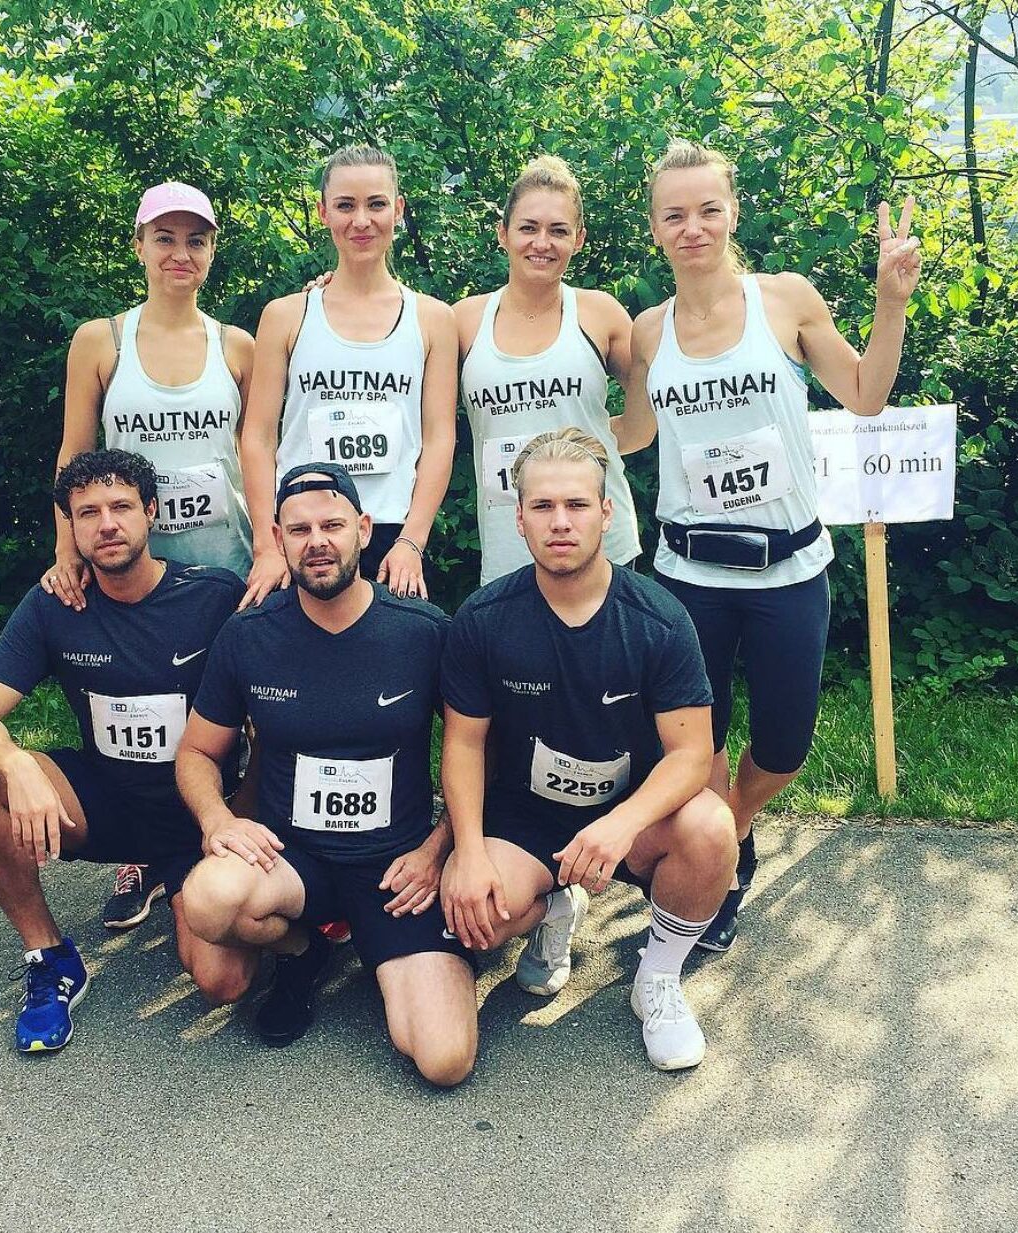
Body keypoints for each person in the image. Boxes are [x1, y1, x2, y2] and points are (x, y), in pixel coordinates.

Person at [620, 140, 921, 950]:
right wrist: (535, 434)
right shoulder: (647, 332)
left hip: (788, 568)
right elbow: (634, 432)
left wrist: (889, 302)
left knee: (783, 746)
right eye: (674, 215)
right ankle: (712, 879)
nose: (692, 228)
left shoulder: (784, 300)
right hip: (689, 574)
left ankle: (731, 827)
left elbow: (863, 395)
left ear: (732, 212)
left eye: (707, 209)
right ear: (654, 227)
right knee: (700, 746)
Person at [440, 429, 736, 1071]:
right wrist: (467, 851)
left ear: (607, 512)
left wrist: (619, 825)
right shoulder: (484, 619)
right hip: (525, 819)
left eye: (576, 505)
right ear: (519, 519)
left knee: (713, 828)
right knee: (474, 918)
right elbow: (463, 743)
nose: (560, 522)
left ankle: (658, 978)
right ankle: (552, 908)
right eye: (542, 506)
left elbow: (692, 754)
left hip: (630, 818)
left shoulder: (659, 620)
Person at [0, 449, 253, 1053]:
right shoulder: (57, 604)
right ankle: (49, 956)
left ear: (151, 512)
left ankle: (178, 885)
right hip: (105, 804)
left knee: (226, 981)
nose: (107, 524)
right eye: (88, 513)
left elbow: (268, 719)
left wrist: (239, 815)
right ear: (72, 526)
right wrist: (16, 764)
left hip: (199, 813)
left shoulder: (215, 596)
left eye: (121, 507)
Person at [178, 463, 477, 1085]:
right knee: (208, 901)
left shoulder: (424, 632)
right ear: (278, 539)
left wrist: (437, 850)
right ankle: (303, 949)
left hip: (398, 868)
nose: (317, 541)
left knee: (444, 1060)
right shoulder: (248, 635)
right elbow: (197, 753)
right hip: (292, 859)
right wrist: (218, 821)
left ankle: (388, 951)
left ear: (363, 530)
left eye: (332, 526)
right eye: (299, 529)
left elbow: (478, 753)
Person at [43, 181, 256, 931]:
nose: (179, 253)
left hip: (223, 564)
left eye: (195, 240)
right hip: (128, 571)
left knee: (233, 718)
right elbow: (74, 453)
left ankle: (231, 841)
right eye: (164, 238)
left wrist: (268, 552)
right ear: (138, 246)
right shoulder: (101, 340)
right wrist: (67, 547)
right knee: (134, 712)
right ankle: (140, 852)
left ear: (212, 251)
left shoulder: (237, 347)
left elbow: (257, 454)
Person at [239, 144, 457, 606]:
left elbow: (439, 438)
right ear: (323, 212)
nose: (361, 221)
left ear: (398, 210)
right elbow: (257, 436)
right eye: (345, 205)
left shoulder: (433, 319)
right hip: (304, 529)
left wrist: (412, 541)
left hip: (393, 535)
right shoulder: (286, 315)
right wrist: (266, 542)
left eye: (376, 204)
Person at [455, 155, 642, 584]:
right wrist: (333, 290)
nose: (542, 243)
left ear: (579, 238)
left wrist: (587, 444)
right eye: (528, 228)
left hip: (600, 544)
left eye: (558, 230)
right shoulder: (463, 321)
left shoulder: (601, 314)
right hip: (508, 546)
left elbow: (649, 417)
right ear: (503, 233)